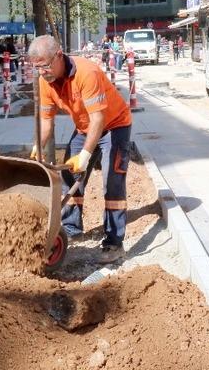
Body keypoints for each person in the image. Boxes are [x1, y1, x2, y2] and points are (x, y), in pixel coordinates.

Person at [28, 35, 133, 264]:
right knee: (68, 176)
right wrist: (38, 146)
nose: (42, 72)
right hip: (85, 128)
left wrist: (85, 155)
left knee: (112, 181)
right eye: (36, 68)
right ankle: (72, 227)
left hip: (114, 125)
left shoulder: (87, 73)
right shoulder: (45, 81)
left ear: (59, 56)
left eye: (44, 66)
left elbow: (99, 119)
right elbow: (46, 121)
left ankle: (114, 243)